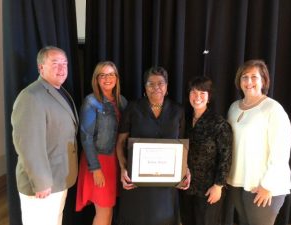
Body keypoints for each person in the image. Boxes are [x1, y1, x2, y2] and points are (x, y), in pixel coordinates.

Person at [11, 46, 78, 225]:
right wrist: (41, 182)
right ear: (41, 68)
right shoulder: (31, 96)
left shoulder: (59, 91)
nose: (62, 68)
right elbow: (28, 144)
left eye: (64, 63)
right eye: (55, 63)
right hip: (42, 186)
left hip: (58, 179)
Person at [116, 66, 190, 225]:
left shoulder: (178, 110)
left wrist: (186, 169)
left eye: (161, 83)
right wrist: (123, 168)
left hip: (166, 183)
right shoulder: (133, 108)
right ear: (145, 87)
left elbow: (182, 143)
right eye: (151, 84)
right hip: (137, 181)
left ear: (167, 87)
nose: (156, 87)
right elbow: (120, 142)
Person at [227, 59, 291, 225]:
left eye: (254, 77)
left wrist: (267, 185)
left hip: (263, 186)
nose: (249, 82)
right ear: (239, 81)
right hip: (238, 181)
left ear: (263, 80)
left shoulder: (272, 109)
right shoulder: (234, 107)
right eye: (244, 77)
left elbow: (281, 150)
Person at [76, 61, 127, 225]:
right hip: (98, 162)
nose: (107, 78)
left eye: (111, 74)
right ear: (96, 79)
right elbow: (85, 137)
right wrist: (95, 168)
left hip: (115, 162)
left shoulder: (122, 101)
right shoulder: (91, 101)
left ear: (117, 78)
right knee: (104, 212)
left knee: (109, 210)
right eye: (103, 75)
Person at [179, 76, 233, 225]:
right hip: (186, 186)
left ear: (209, 97)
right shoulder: (183, 119)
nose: (197, 97)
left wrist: (218, 186)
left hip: (209, 188)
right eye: (194, 92)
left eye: (202, 93)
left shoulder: (219, 123)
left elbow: (226, 157)